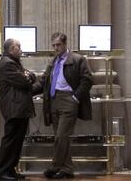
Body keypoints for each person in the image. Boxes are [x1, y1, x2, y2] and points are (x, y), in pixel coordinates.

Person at [33, 32, 93, 179]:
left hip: (68, 100)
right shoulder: (53, 61)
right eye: (53, 45)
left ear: (65, 44)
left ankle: (55, 166)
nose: (56, 48)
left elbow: (87, 80)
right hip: (53, 100)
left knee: (61, 136)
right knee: (61, 137)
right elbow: (43, 82)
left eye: (58, 45)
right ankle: (67, 168)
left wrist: (75, 98)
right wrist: (28, 90)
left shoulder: (78, 59)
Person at [0, 38, 36, 181]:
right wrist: (27, 77)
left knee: (17, 141)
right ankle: (2, 172)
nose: (21, 49)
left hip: (19, 108)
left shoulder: (14, 63)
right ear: (12, 49)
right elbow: (24, 81)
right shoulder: (8, 64)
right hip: (14, 108)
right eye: (19, 47)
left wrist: (28, 76)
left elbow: (31, 76)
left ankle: (10, 169)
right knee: (10, 141)